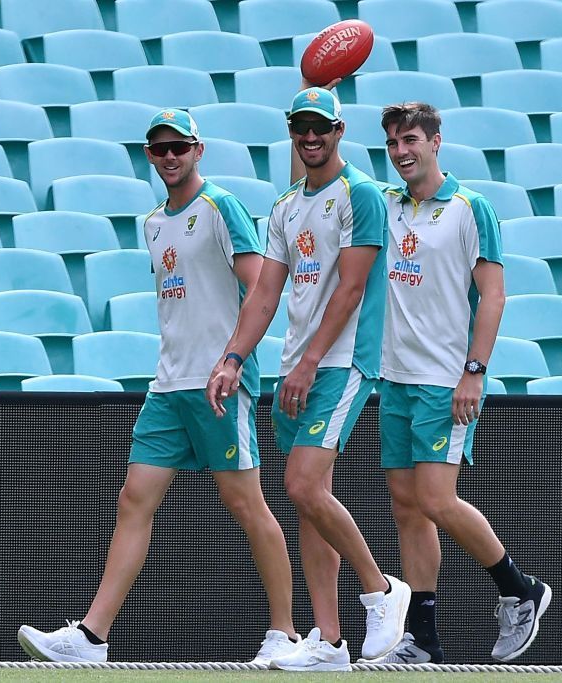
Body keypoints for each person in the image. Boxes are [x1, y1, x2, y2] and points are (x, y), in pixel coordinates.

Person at [18, 109, 300, 668]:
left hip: (219, 382)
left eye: (178, 147)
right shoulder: (153, 222)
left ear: (198, 150)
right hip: (169, 384)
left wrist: (233, 360)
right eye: (158, 149)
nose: (168, 157)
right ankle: (92, 639)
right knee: (133, 500)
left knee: (245, 503)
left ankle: (285, 634)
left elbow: (261, 287)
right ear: (149, 155)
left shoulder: (220, 207)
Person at [207, 88, 411, 673]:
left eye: (320, 126)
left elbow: (351, 288)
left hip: (342, 362)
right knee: (308, 503)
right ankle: (329, 640)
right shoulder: (285, 206)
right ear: (292, 133)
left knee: (301, 485)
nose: (310, 136)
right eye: (300, 127)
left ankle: (380, 590)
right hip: (296, 362)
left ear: (339, 131)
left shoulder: (361, 194)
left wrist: (308, 360)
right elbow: (265, 291)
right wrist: (234, 358)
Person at [366, 101, 552, 664]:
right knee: (406, 507)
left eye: (412, 140)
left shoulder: (472, 208)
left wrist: (474, 371)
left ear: (436, 141)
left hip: (446, 379)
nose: (402, 152)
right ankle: (422, 638)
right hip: (394, 378)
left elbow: (493, 295)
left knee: (435, 498)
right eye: (394, 143)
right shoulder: (388, 205)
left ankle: (521, 591)